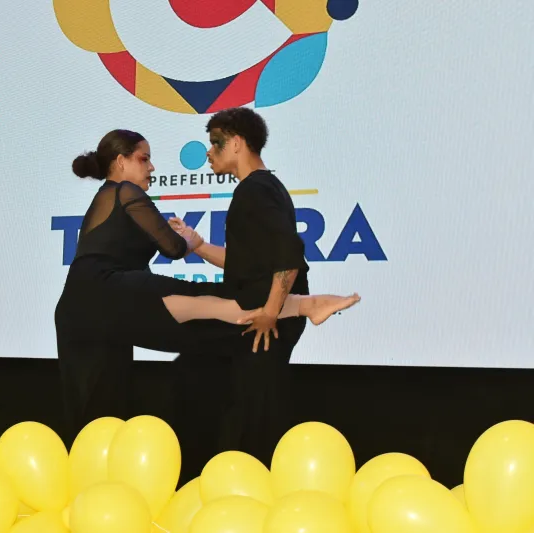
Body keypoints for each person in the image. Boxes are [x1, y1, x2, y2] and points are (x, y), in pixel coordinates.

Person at [55, 128, 358, 446]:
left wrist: (192, 242)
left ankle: (305, 305)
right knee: (207, 305)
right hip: (104, 292)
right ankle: (305, 305)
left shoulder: (106, 197)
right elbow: (172, 247)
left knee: (94, 412)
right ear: (120, 161)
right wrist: (187, 240)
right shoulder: (126, 192)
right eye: (144, 159)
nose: (152, 168)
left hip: (78, 307)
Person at [171, 107, 324, 479]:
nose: (208, 152)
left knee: (254, 414)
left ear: (236, 143)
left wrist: (271, 311)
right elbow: (246, 263)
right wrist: (198, 245)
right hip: (258, 319)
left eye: (215, 143)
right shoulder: (260, 188)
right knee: (241, 403)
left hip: (264, 323)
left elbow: (288, 255)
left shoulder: (256, 189)